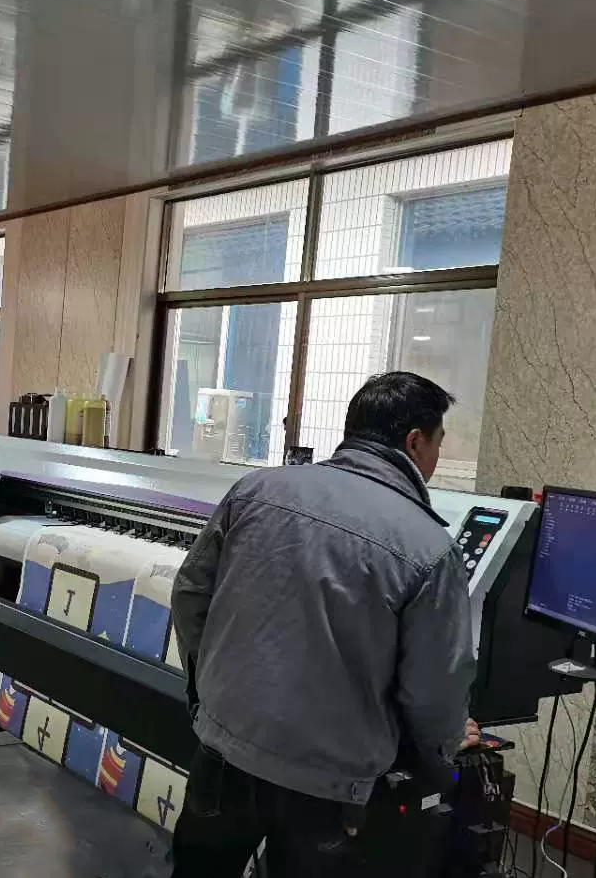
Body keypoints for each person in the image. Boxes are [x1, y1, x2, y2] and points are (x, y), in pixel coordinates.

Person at [170, 372, 480, 877]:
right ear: (415, 442)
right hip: (330, 788)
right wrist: (443, 751)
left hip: (225, 750)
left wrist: (210, 695)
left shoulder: (255, 491)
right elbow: (433, 688)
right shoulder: (428, 548)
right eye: (439, 442)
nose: (437, 457)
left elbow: (190, 596)